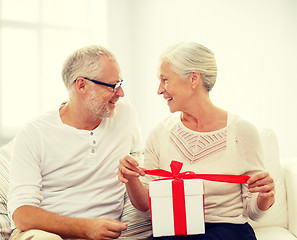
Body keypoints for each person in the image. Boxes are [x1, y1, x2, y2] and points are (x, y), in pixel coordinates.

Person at [118, 42, 275, 240]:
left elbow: (254, 212)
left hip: (227, 231)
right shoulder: (159, 133)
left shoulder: (242, 132)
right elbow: (146, 208)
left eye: (165, 80)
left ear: (193, 79)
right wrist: (131, 179)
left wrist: (265, 197)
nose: (159, 90)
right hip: (175, 231)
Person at [8, 45, 143, 240]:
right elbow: (22, 213)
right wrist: (86, 228)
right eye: (112, 85)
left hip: (104, 234)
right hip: (45, 234)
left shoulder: (125, 115)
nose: (120, 92)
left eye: (120, 83)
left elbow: (140, 160)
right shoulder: (34, 133)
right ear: (81, 86)